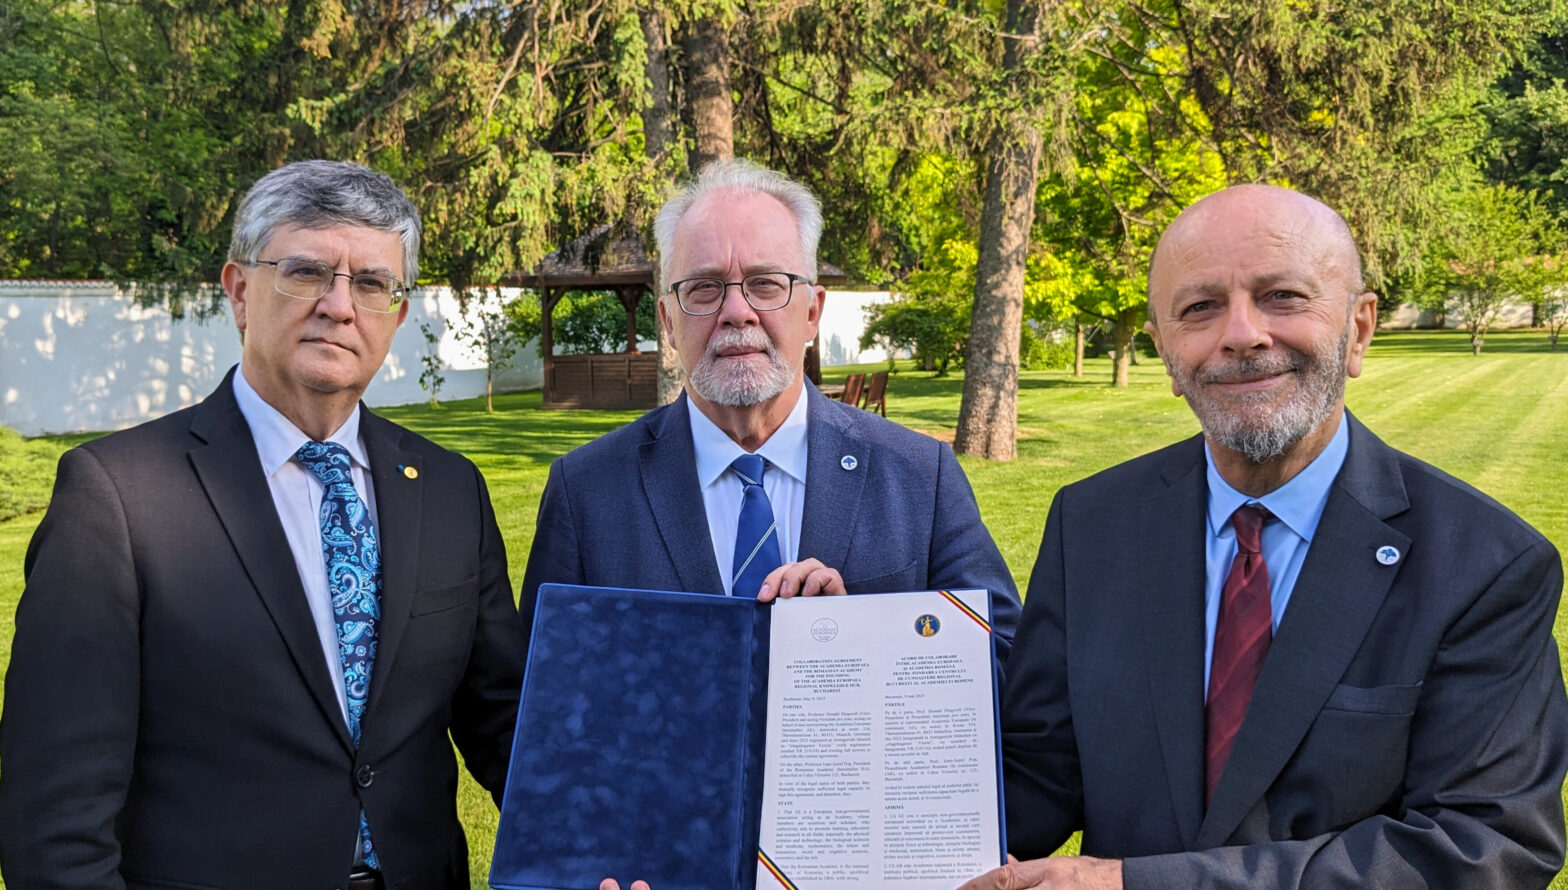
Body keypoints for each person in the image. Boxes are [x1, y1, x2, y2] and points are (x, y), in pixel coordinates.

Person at [956, 183, 1568, 890]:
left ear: (1359, 329)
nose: (1242, 333)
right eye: (1200, 307)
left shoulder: (1484, 564)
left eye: (1283, 296)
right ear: (1165, 353)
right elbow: (1042, 766)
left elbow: (1480, 844)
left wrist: (1141, 886)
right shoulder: (1093, 525)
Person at [0, 160, 526, 890]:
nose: (339, 306)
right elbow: (55, 818)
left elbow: (508, 727)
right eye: (306, 272)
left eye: (371, 283)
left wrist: (612, 849)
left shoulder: (448, 490)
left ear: (397, 315)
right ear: (240, 291)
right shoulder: (119, 496)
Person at [521, 159, 1019, 648]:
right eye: (704, 288)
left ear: (812, 312)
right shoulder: (585, 492)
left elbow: (1003, 662)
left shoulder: (918, 476)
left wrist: (860, 643)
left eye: (766, 284)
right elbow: (542, 696)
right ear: (669, 322)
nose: (737, 311)